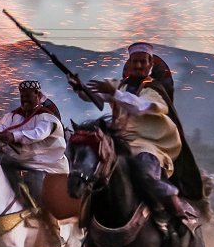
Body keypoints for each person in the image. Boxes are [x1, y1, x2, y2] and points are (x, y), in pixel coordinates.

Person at [73, 42, 204, 235]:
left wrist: (115, 94)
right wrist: (79, 88)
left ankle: (178, 214)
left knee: (145, 171)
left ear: (150, 63)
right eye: (135, 62)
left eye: (143, 62)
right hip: (120, 142)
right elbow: (96, 97)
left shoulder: (154, 89)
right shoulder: (121, 85)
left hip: (150, 145)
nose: (139, 65)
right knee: (93, 170)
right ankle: (87, 227)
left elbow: (140, 106)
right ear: (130, 62)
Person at [0, 80, 68, 247]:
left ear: (38, 96)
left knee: (37, 190)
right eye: (22, 96)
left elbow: (36, 134)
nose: (24, 99)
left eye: (28, 96)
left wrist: (13, 136)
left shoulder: (47, 117)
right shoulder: (12, 116)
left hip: (43, 165)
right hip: (17, 161)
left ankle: (53, 233)